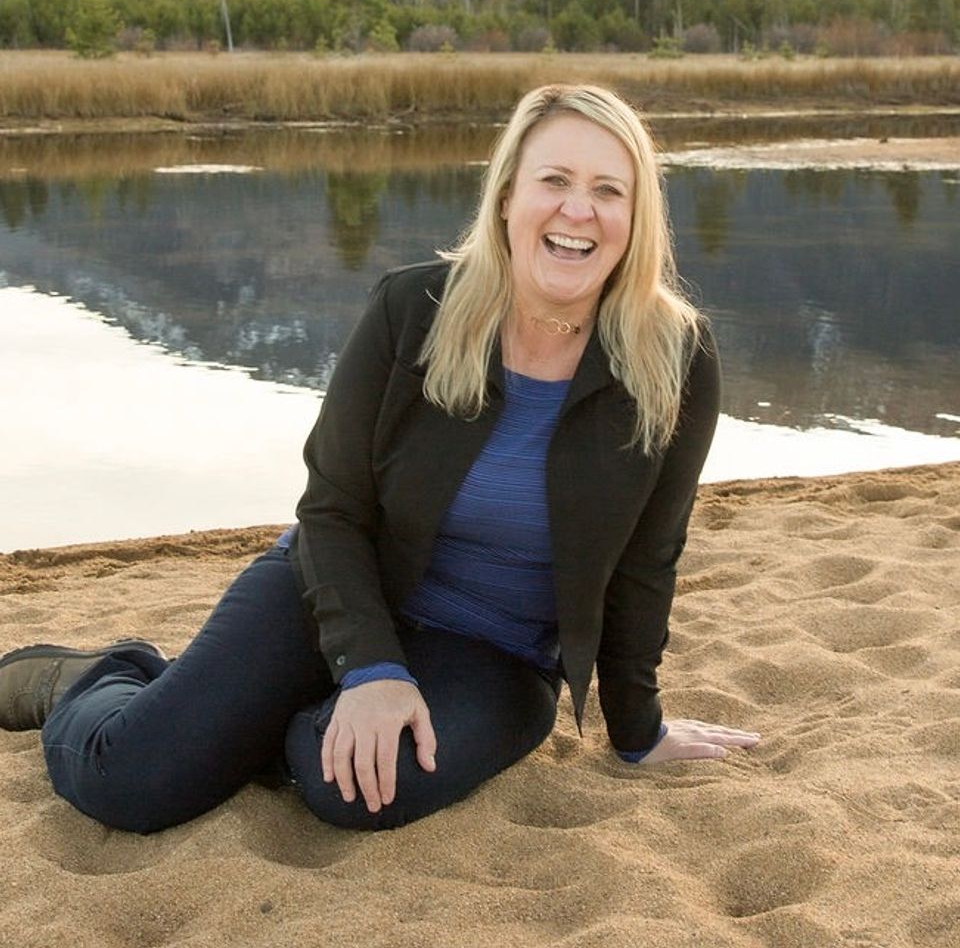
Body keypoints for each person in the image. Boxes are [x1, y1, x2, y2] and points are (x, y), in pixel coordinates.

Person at [0, 83, 759, 833]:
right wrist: (371, 668)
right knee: (131, 783)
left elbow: (647, 560)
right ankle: (99, 678)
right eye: (554, 180)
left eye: (607, 190)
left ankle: (246, 720)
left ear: (637, 216)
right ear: (506, 198)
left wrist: (638, 730)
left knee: (354, 789)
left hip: (495, 654)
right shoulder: (412, 311)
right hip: (339, 590)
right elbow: (331, 507)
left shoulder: (675, 358)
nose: (578, 211)